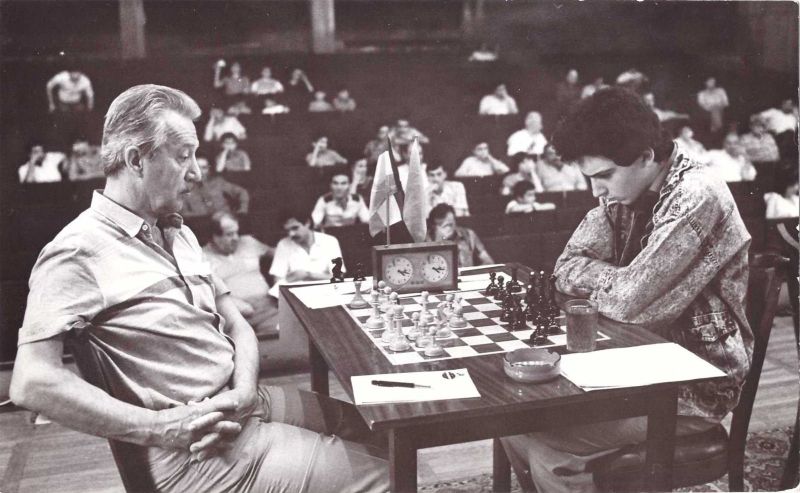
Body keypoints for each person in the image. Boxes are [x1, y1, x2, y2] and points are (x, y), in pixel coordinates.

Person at [9, 84, 389, 492]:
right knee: (391, 474)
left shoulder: (180, 233)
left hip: (243, 401)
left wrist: (244, 391)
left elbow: (237, 324)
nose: (197, 173)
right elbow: (31, 381)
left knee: (377, 430)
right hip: (198, 452)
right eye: (183, 155)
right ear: (136, 160)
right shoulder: (76, 250)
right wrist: (159, 427)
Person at [501, 87, 752, 493]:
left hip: (694, 385)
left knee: (548, 444)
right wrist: (619, 280)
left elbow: (628, 303)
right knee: (515, 420)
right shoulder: (626, 190)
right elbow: (565, 266)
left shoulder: (697, 194)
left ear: (646, 156)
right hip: (634, 362)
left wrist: (610, 282)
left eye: (603, 176)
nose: (595, 192)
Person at [203, 212, 277, 338]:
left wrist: (279, 278)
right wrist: (230, 303)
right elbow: (203, 293)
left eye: (237, 232)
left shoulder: (248, 242)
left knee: (283, 336)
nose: (236, 238)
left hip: (266, 308)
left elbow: (280, 254)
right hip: (233, 316)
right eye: (229, 234)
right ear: (215, 237)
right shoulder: (202, 257)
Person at [269, 208, 345, 298]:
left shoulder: (329, 241)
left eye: (295, 228)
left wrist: (307, 275)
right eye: (287, 231)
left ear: (307, 223)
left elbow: (339, 277)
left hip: (328, 294)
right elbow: (277, 280)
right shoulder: (283, 244)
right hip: (296, 296)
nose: (291, 234)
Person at [426, 204, 493, 268]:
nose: (449, 228)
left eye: (451, 224)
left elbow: (489, 262)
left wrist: (473, 272)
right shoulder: (428, 240)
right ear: (434, 227)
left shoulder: (468, 234)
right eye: (444, 226)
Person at [182, 156, 250, 218]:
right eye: (197, 167)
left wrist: (242, 210)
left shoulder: (218, 182)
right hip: (201, 223)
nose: (200, 171)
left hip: (225, 220)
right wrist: (204, 216)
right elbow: (184, 214)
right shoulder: (185, 189)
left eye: (204, 168)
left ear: (209, 170)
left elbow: (242, 192)